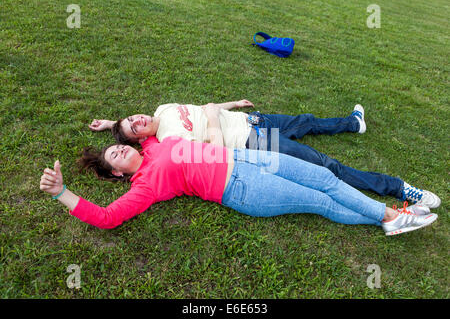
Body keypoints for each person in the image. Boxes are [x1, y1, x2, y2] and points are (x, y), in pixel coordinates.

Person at [39, 136, 438, 236]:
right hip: (243, 189)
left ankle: (389, 218)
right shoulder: (144, 185)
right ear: (117, 175)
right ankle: (389, 215)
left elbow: (135, 125)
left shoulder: (154, 144)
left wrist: (110, 128)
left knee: (326, 178)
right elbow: (107, 218)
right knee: (319, 200)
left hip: (249, 157)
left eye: (116, 148)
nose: (118, 152)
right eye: (113, 159)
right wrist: (61, 192)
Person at [88, 100, 441, 208]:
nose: (138, 120)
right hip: (252, 144)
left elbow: (203, 107)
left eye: (133, 116)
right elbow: (210, 148)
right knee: (323, 164)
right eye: (133, 127)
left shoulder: (163, 109)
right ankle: (397, 189)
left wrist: (231, 105)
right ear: (139, 141)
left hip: (248, 118)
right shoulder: (165, 140)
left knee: (304, 121)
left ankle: (352, 124)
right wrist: (111, 132)